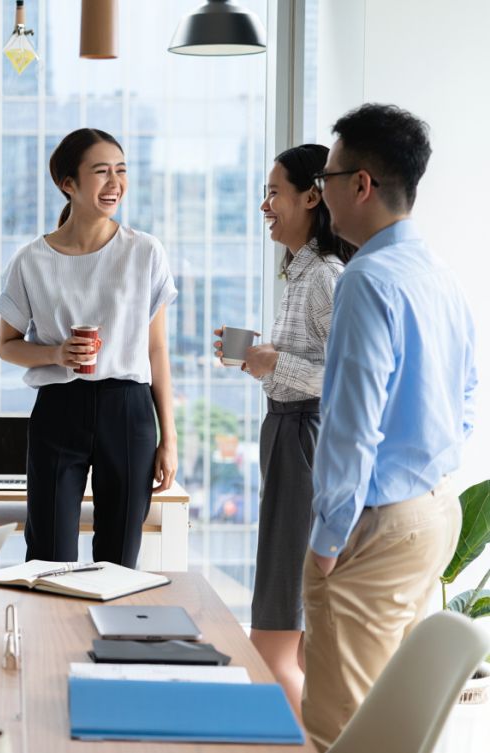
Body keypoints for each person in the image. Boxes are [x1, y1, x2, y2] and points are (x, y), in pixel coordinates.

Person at [303, 103, 475, 750]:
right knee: (394, 724)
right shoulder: (436, 272)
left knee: (342, 728)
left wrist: (328, 539)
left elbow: (351, 425)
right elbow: (466, 395)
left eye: (325, 179)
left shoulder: (367, 279)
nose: (321, 194)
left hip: (376, 526)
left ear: (361, 184)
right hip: (433, 511)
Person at [0, 128, 178, 567]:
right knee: (48, 556)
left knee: (119, 559)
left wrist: (169, 438)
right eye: (101, 172)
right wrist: (55, 354)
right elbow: (7, 346)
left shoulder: (145, 252)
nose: (115, 183)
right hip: (59, 408)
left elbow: (156, 351)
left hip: (129, 410)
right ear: (68, 183)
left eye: (121, 170)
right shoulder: (30, 260)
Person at [214, 144, 355, 718]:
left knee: (273, 641)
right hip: (290, 433)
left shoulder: (325, 276)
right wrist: (264, 361)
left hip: (304, 438)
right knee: (290, 632)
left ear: (312, 197)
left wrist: (275, 364)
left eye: (274, 192)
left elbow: (348, 379)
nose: (264, 205)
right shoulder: (301, 273)